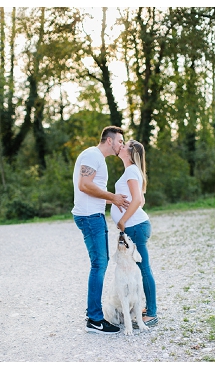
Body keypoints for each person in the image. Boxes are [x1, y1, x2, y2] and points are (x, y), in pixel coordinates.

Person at [73, 126, 130, 334]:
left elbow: (90, 190)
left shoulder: (97, 158)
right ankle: (95, 319)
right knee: (99, 264)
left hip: (92, 215)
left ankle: (93, 315)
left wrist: (113, 203)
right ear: (109, 141)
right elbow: (84, 185)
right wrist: (112, 197)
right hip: (89, 218)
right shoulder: (92, 155)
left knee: (100, 263)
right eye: (120, 141)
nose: (121, 145)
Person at [112, 139, 157, 327]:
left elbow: (138, 199)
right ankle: (146, 307)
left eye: (126, 145)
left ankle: (152, 313)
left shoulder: (131, 171)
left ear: (132, 153)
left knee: (143, 268)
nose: (121, 146)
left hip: (135, 227)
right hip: (137, 224)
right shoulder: (131, 171)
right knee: (140, 269)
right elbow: (141, 199)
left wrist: (122, 220)